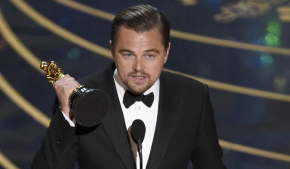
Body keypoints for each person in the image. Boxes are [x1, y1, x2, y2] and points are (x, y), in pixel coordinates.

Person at [32, 4, 226, 169]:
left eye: (150, 55)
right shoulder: (81, 97)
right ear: (112, 51)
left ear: (166, 52)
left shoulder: (194, 96)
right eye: (128, 55)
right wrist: (67, 116)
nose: (139, 67)